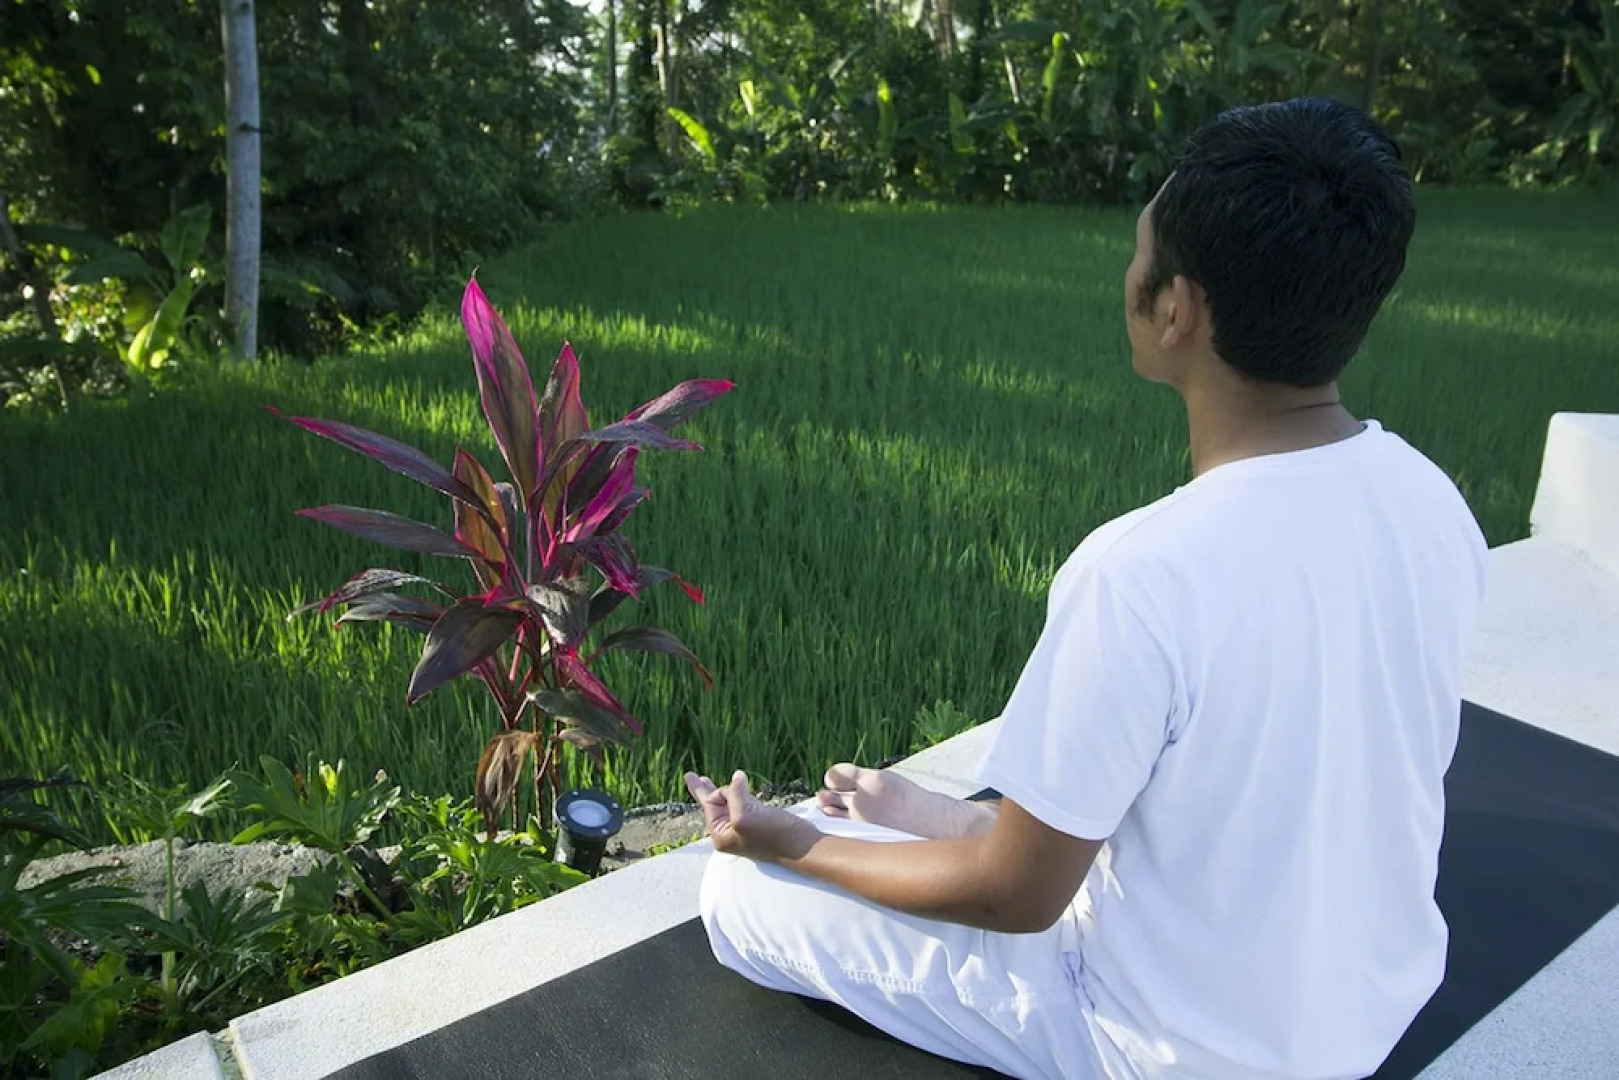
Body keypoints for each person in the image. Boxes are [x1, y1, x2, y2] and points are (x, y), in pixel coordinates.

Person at [683, 96, 1489, 1080]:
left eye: (1138, 251)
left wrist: (784, 844)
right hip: (1365, 1008)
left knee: (734, 900)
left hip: (1166, 1042)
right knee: (890, 825)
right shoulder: (1426, 497)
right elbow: (1242, 804)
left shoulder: (1142, 570)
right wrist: (931, 812)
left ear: (1174, 307)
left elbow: (1016, 899)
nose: (1127, 274)